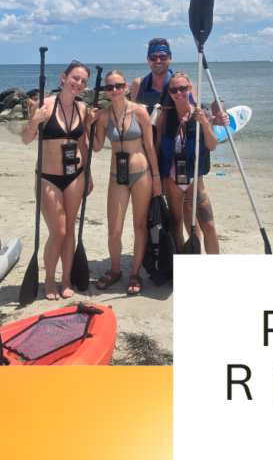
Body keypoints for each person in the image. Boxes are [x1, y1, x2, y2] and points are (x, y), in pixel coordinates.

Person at [86, 70, 162, 296]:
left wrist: (157, 177)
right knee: (114, 231)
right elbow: (98, 147)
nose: (114, 90)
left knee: (139, 227)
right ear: (105, 90)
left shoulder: (140, 112)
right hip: (116, 176)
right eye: (109, 87)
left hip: (142, 174)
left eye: (118, 85)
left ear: (127, 86)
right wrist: (89, 125)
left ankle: (135, 272)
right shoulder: (102, 115)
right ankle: (115, 269)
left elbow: (150, 147)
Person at [21, 61, 93, 301]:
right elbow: (25, 139)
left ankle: (67, 279)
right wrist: (34, 121)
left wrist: (88, 174)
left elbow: (83, 144)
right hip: (48, 177)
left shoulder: (82, 109)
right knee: (58, 231)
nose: (79, 84)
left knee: (70, 230)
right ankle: (50, 279)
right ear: (64, 77)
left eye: (83, 81)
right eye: (75, 78)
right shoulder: (44, 104)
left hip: (76, 176)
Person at [155, 72, 220, 254]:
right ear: (170, 91)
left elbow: (212, 146)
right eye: (174, 89)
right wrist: (156, 178)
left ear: (190, 88)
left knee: (209, 227)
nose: (179, 93)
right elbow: (157, 148)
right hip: (171, 181)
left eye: (183, 88)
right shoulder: (164, 117)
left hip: (195, 181)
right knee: (176, 225)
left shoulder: (203, 113)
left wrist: (205, 124)